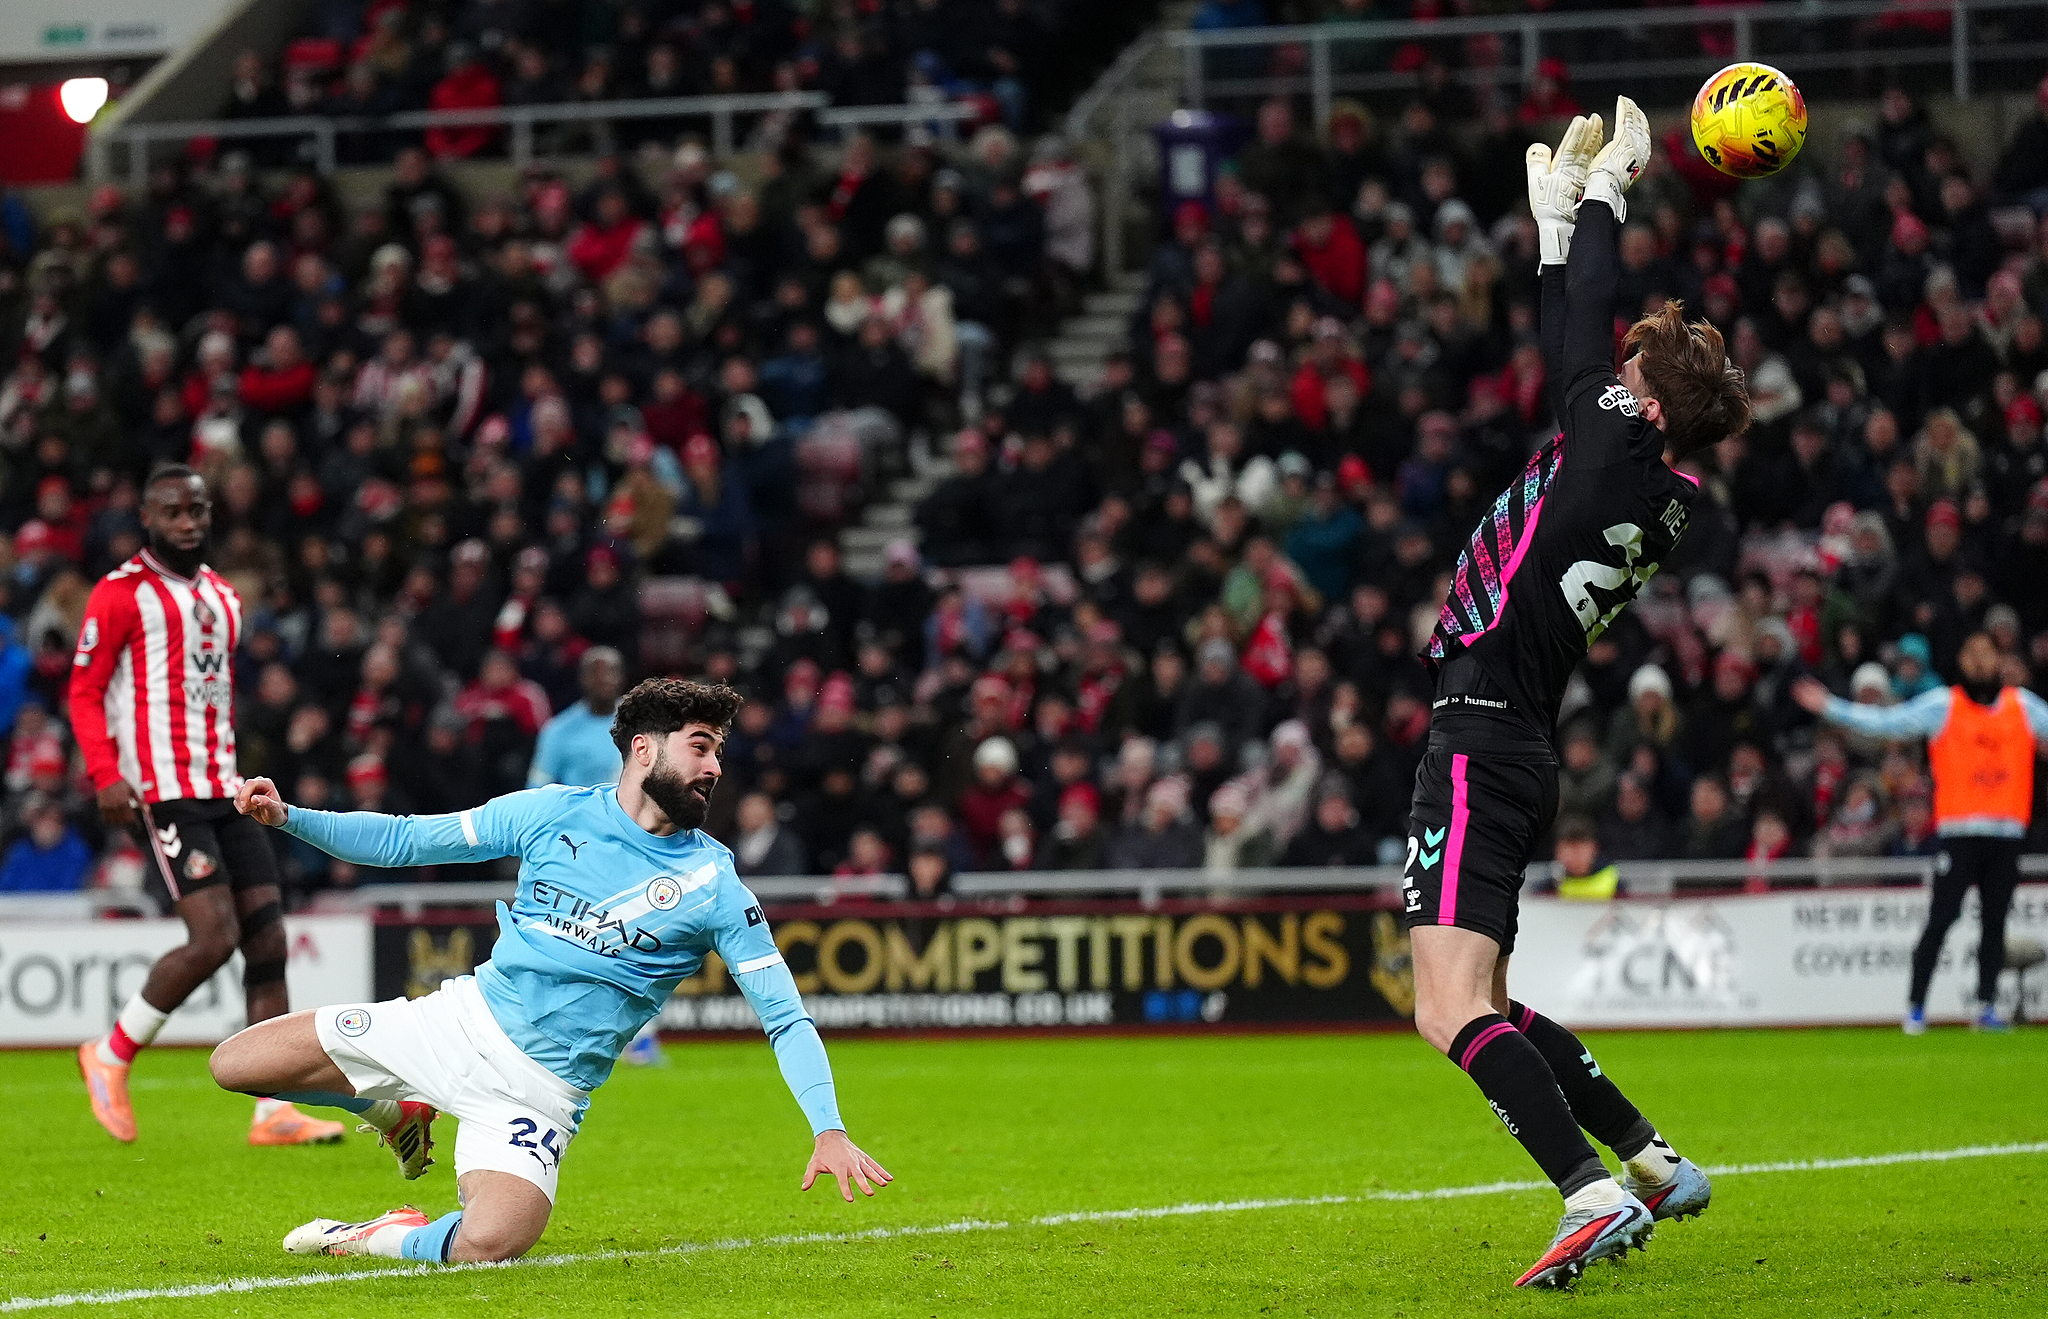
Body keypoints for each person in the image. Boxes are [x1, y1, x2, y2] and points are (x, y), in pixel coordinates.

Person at [1402, 102, 1750, 1289]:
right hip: (1518, 741)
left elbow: (1582, 340)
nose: (1616, 370)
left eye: (1631, 373)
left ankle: (1588, 1191)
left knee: (1444, 1009)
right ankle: (1645, 1156)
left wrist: (1601, 201)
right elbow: (1574, 346)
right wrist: (1551, 238)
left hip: (1475, 736)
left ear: (1644, 404)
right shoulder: (1652, 480)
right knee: (1492, 994)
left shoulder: (1611, 438)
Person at [210, 678, 891, 1264]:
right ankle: (396, 1110)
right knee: (235, 1064)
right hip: (455, 1022)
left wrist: (827, 1126)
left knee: (491, 1243)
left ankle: (376, 1236)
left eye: (718, 750)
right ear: (644, 748)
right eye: (701, 746)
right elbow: (405, 837)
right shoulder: (551, 813)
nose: (715, 766)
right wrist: (288, 817)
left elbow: (784, 1015)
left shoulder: (714, 884)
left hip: (539, 1094)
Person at [67, 465, 345, 1149]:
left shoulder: (224, 597)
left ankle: (272, 1109)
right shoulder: (119, 594)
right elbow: (84, 691)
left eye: (197, 509)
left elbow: (210, 693)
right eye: (174, 511)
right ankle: (110, 1052)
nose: (188, 521)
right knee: (214, 936)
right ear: (148, 517)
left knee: (269, 942)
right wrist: (107, 773)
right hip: (164, 792)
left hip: (224, 787)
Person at [1794, 632, 2048, 1032]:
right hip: (1960, 830)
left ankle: (1985, 1006)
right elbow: (1886, 723)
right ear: (1963, 661)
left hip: (2006, 831)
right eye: (1973, 655)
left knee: (1995, 923)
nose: (1981, 663)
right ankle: (1915, 1006)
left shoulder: (2025, 708)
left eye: (1989, 655)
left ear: (2001, 662)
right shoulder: (1945, 705)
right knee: (1942, 918)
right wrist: (1831, 707)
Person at [525, 647, 626, 789]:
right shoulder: (558, 730)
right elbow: (537, 786)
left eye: (611, 671)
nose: (604, 679)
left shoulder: (642, 724)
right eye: (595, 673)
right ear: (582, 678)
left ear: (621, 677)